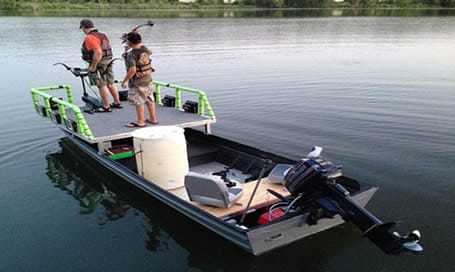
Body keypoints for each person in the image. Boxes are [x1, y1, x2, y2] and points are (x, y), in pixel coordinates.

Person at [79, 19, 122, 112]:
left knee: (101, 85)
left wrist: (93, 65)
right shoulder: (103, 35)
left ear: (83, 27)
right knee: (110, 83)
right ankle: (117, 102)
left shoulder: (89, 37)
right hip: (109, 61)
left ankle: (106, 106)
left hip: (99, 62)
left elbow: (98, 52)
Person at [121, 32, 158, 127]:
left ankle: (140, 122)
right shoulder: (146, 50)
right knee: (150, 99)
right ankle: (153, 119)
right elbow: (143, 49)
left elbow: (132, 70)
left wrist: (124, 81)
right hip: (148, 79)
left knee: (139, 101)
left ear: (129, 42)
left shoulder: (131, 55)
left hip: (137, 82)